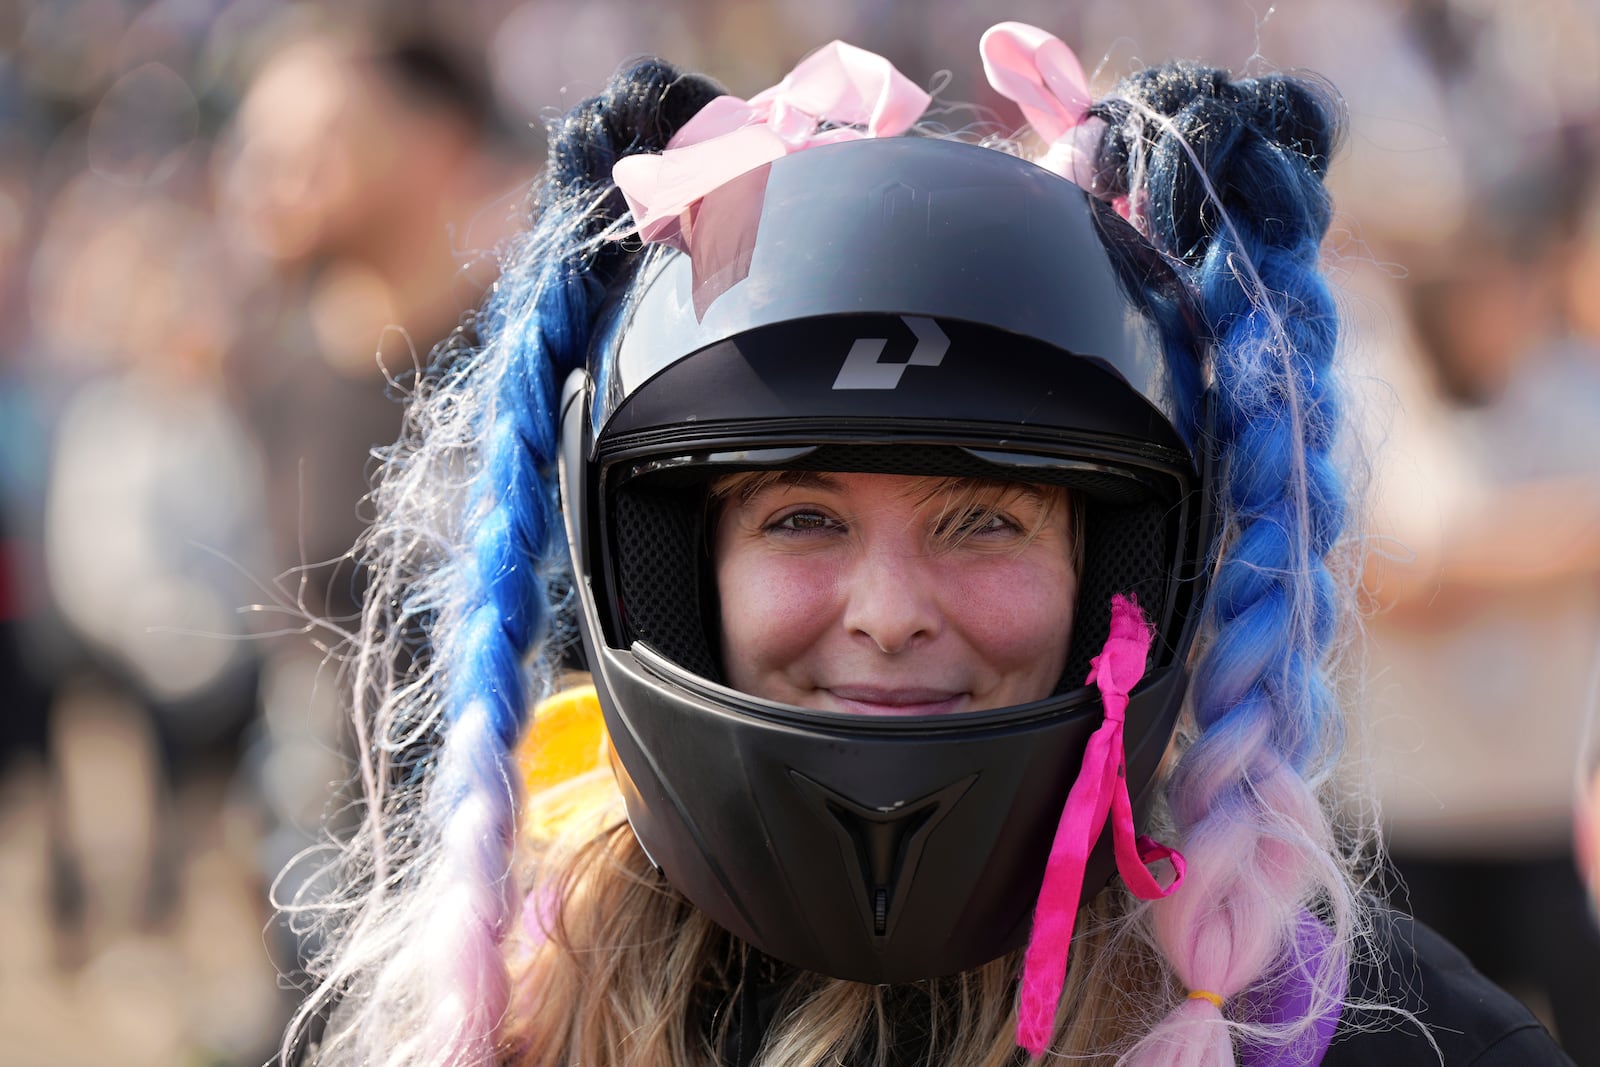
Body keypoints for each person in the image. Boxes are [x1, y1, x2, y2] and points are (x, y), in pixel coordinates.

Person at [279, 22, 1571, 1067]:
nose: (888, 610)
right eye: (801, 518)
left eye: (985, 521)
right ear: (660, 566)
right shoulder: (512, 1016)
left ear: (1132, 573)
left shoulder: (1388, 1041)